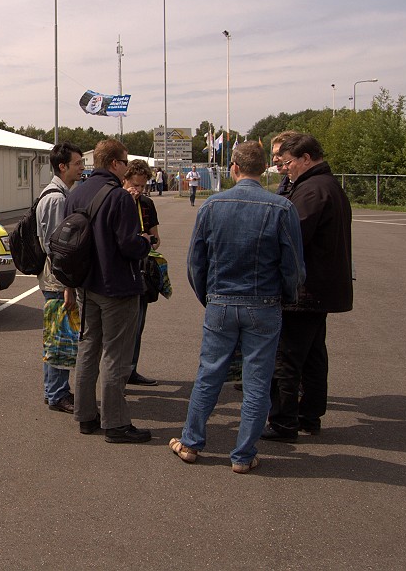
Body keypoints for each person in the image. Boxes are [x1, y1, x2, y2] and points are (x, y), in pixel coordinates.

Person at [171, 142, 305, 473]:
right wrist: (285, 297)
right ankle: (243, 455)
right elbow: (294, 268)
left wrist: (210, 297)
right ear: (264, 169)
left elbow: (195, 264)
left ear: (233, 168)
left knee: (209, 373)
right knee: (257, 380)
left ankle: (191, 442)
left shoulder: (211, 206)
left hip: (221, 302)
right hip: (264, 303)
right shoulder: (282, 208)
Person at [263, 132, 353, 442]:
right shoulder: (326, 185)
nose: (284, 168)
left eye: (287, 162)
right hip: (320, 286)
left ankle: (284, 422)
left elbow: (290, 235)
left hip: (304, 289)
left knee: (287, 357)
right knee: (313, 354)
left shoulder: (312, 190)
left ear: (306, 159)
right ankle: (308, 416)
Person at [64, 138, 154, 443]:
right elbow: (129, 245)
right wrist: (145, 241)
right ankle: (115, 424)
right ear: (115, 164)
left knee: (88, 348)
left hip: (86, 285)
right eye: (125, 161)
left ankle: (85, 415)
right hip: (116, 286)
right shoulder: (119, 197)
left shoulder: (76, 193)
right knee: (116, 355)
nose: (127, 166)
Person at [36, 142, 85, 413]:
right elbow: (59, 248)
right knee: (61, 336)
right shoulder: (56, 198)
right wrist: (68, 285)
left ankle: (52, 390)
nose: (82, 167)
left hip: (57, 276)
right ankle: (57, 393)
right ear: (62, 166)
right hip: (58, 278)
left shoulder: (60, 193)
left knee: (55, 334)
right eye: (77, 163)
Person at [122, 160, 160, 386]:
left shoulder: (146, 204)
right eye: (135, 185)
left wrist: (148, 240)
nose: (138, 190)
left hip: (141, 271)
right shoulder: (116, 200)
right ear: (124, 180)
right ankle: (117, 376)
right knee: (119, 329)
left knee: (138, 325)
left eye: (143, 186)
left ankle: (131, 370)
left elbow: (156, 240)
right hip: (119, 273)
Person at [270, 130, 297, 196]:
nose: (274, 160)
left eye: (279, 154)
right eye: (273, 155)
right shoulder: (286, 183)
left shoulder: (310, 187)